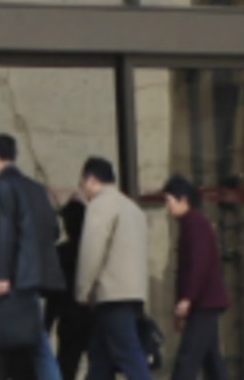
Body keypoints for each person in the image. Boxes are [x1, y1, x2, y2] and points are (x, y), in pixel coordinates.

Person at [0, 135, 66, 380]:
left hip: (11, 279)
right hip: (32, 279)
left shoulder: (4, 187)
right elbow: (53, 230)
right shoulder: (36, 189)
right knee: (39, 345)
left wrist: (1, 276)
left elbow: (5, 233)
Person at [74, 158, 152, 380]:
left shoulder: (100, 205)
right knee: (100, 359)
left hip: (112, 294)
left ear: (91, 180)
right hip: (134, 293)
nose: (83, 191)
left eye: (82, 185)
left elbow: (92, 252)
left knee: (129, 356)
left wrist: (83, 290)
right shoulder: (133, 209)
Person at [164, 176, 230, 380]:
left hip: (203, 302)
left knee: (188, 359)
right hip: (205, 301)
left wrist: (187, 298)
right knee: (211, 360)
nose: (167, 208)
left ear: (183, 199)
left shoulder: (194, 224)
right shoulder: (193, 223)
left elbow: (198, 265)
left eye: (169, 201)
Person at [46, 194, 93, 379]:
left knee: (66, 370)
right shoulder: (92, 252)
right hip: (92, 318)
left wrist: (46, 325)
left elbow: (53, 295)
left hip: (68, 322)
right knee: (99, 368)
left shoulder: (60, 253)